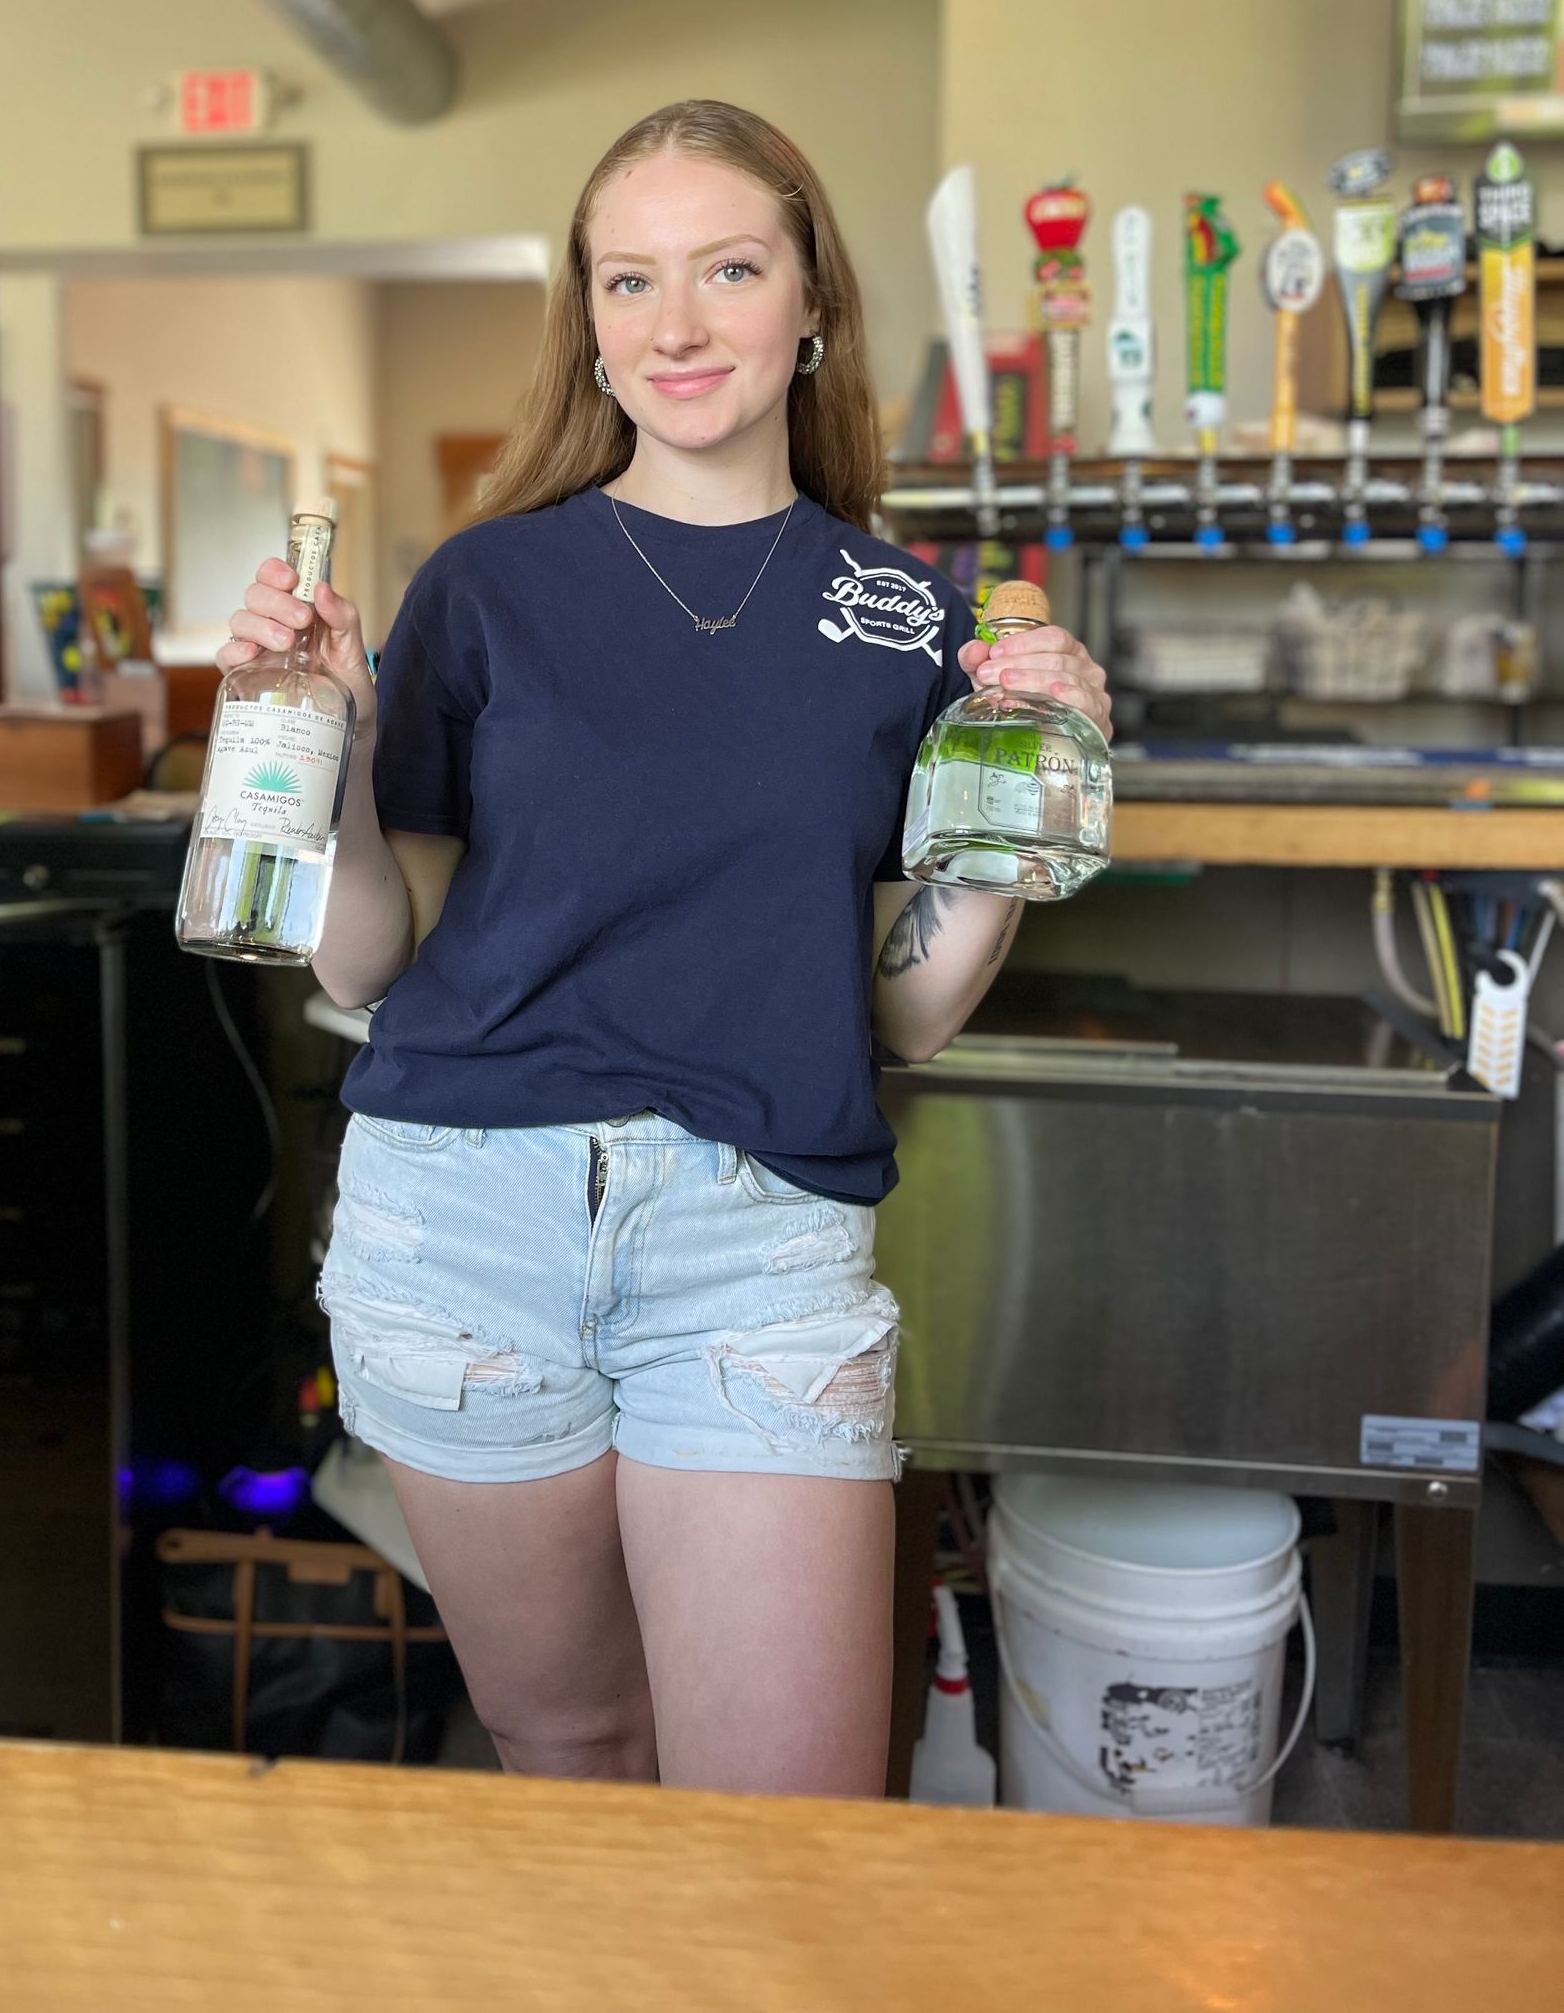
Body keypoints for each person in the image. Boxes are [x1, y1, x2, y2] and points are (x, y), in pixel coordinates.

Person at [218, 100, 1111, 1799]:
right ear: (592, 328)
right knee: (568, 1751)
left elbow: (903, 1014)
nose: (677, 324)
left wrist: (1030, 804)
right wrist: (331, 746)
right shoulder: (484, 586)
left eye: (726, 268)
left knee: (790, 1818)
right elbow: (361, 965)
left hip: (756, 1244)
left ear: (809, 306)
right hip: (462, 1223)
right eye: (629, 283)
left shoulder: (905, 614)